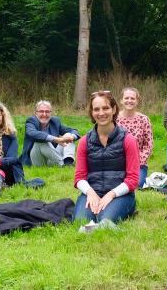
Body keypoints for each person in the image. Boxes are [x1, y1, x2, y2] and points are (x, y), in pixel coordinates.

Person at [73, 91, 140, 228]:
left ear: (114, 109)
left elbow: (133, 179)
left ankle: (126, 208)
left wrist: (111, 194)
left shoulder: (128, 140)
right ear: (92, 113)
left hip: (120, 194)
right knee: (81, 222)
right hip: (92, 192)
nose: (101, 113)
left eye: (105, 108)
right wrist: (90, 193)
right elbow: (79, 178)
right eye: (96, 109)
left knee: (105, 222)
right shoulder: (84, 141)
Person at [20, 100, 81, 167]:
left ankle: (68, 162)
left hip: (52, 158)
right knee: (42, 141)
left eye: (47, 111)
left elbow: (74, 131)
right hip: (36, 160)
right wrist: (56, 139)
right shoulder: (31, 121)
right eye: (41, 111)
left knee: (68, 135)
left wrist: (71, 137)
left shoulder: (55, 121)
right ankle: (63, 164)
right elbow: (32, 133)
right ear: (35, 113)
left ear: (51, 113)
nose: (44, 114)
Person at [117, 87, 153, 187]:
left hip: (138, 163)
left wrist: (135, 162)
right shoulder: (114, 119)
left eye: (132, 98)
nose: (129, 101)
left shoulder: (144, 119)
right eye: (126, 98)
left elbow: (148, 145)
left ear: (137, 101)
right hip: (117, 162)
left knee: (137, 184)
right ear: (121, 100)